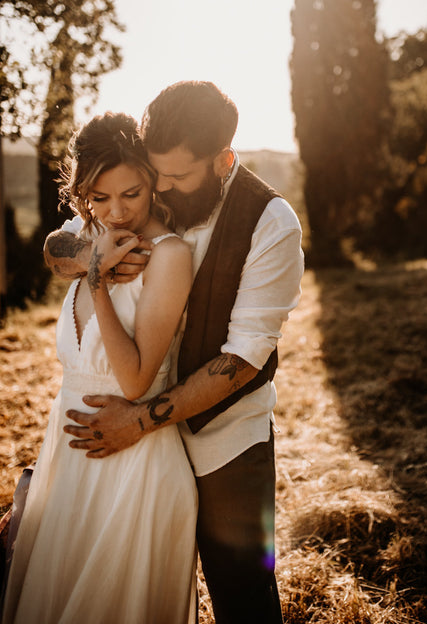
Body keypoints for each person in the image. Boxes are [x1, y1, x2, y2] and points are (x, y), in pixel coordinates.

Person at [43, 81, 305, 624]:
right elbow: (56, 245)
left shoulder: (270, 223)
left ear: (223, 159)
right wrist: (95, 254)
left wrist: (139, 421)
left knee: (241, 594)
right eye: (155, 174)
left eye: (178, 176)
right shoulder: (146, 189)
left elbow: (242, 361)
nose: (162, 185)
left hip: (222, 437)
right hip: (129, 441)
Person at [2, 113, 198, 624]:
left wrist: (96, 279)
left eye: (131, 194)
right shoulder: (92, 232)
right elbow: (52, 248)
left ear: (152, 180)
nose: (116, 212)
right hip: (66, 458)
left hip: (132, 469)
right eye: (98, 197)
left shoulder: (169, 256)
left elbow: (134, 379)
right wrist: (93, 253)